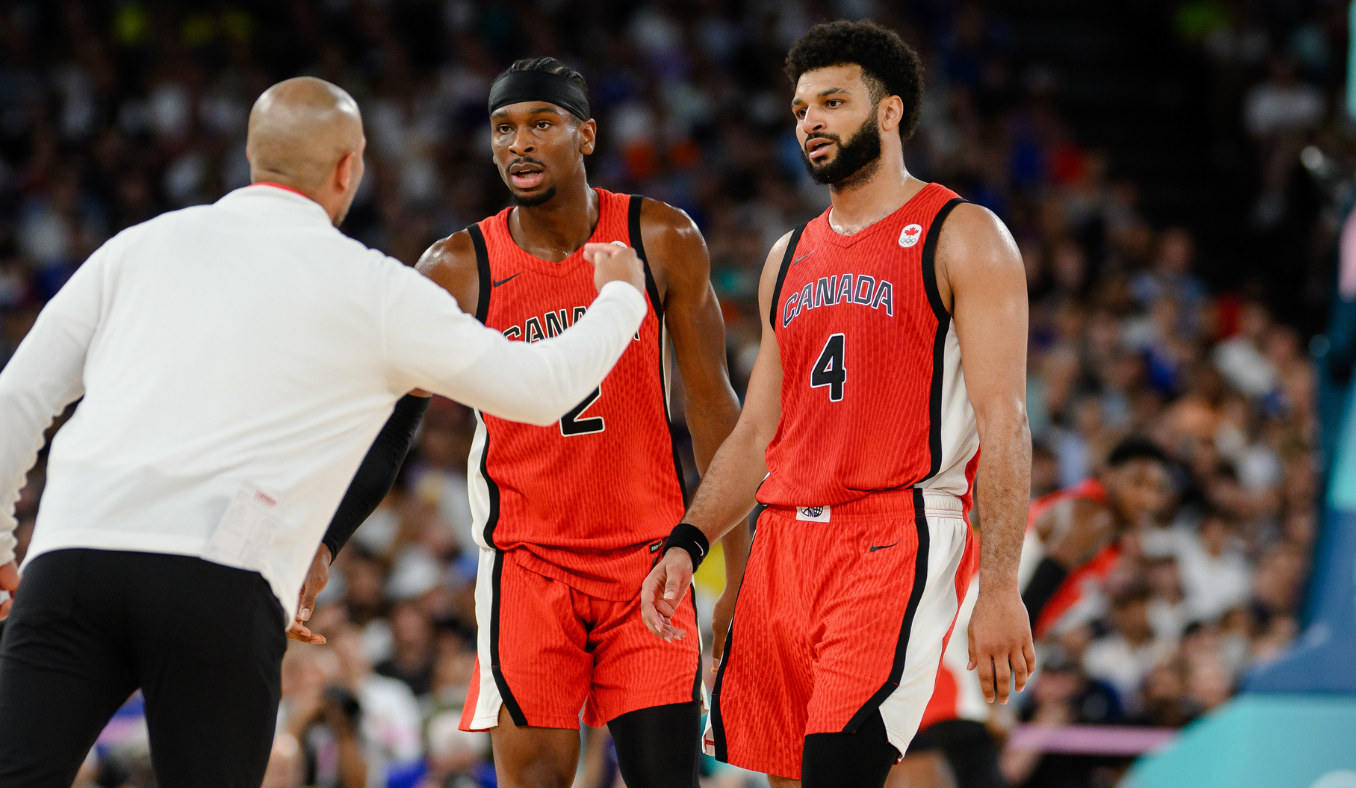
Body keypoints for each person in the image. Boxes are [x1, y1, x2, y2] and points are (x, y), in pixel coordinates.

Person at [0, 76, 650, 788]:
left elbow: (14, 401)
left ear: (252, 154)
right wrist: (620, 297)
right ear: (348, 167)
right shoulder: (374, 288)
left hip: (74, 555)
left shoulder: (139, 247)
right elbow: (539, 390)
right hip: (219, 576)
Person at [640, 20, 1035, 788]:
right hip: (784, 546)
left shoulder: (964, 236)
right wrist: (690, 543)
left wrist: (1001, 587)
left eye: (833, 102)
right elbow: (758, 431)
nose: (811, 121)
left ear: (888, 113)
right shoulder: (787, 256)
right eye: (800, 109)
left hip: (892, 537)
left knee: (838, 771)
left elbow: (1005, 422)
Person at [413, 58, 748, 788]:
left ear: (586, 134)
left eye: (541, 124)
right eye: (504, 129)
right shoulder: (457, 266)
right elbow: (388, 418)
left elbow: (715, 409)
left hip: (648, 564)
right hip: (528, 566)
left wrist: (741, 574)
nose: (519, 144)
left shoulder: (661, 236)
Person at [1020, 436, 1170, 638]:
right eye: (1138, 483)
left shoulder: (1099, 519)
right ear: (1108, 475)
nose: (1148, 500)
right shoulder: (1096, 518)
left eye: (1157, 489)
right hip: (979, 622)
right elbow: (1032, 597)